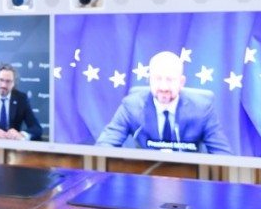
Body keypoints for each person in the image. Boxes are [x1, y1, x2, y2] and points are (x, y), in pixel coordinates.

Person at [95, 51, 233, 154]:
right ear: (149, 80)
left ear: (181, 82)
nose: (163, 87)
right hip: (144, 177)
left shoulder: (202, 109)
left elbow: (223, 155)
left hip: (188, 179)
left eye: (170, 80)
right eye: (157, 79)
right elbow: (104, 146)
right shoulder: (132, 106)